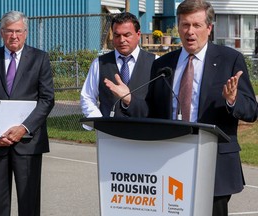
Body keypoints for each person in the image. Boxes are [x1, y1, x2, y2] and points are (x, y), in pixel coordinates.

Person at [104, 0, 257, 215]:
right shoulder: (163, 64)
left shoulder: (229, 60)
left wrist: (232, 100)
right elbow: (152, 111)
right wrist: (129, 99)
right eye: (185, 25)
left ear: (209, 28)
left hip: (214, 163)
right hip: (171, 160)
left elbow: (250, 110)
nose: (190, 32)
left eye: (196, 25)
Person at [0, 11, 54, 216]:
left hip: (28, 142)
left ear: (26, 33)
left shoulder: (40, 58)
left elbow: (47, 99)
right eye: (9, 31)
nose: (14, 36)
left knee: (29, 204)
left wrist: (24, 128)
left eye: (18, 31)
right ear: (2, 33)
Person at [80, 12, 157, 119]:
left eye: (127, 35)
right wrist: (100, 121)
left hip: (144, 131)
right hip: (109, 132)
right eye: (117, 35)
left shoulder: (155, 62)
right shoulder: (100, 63)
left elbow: (161, 102)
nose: (121, 40)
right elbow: (87, 97)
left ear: (138, 35)